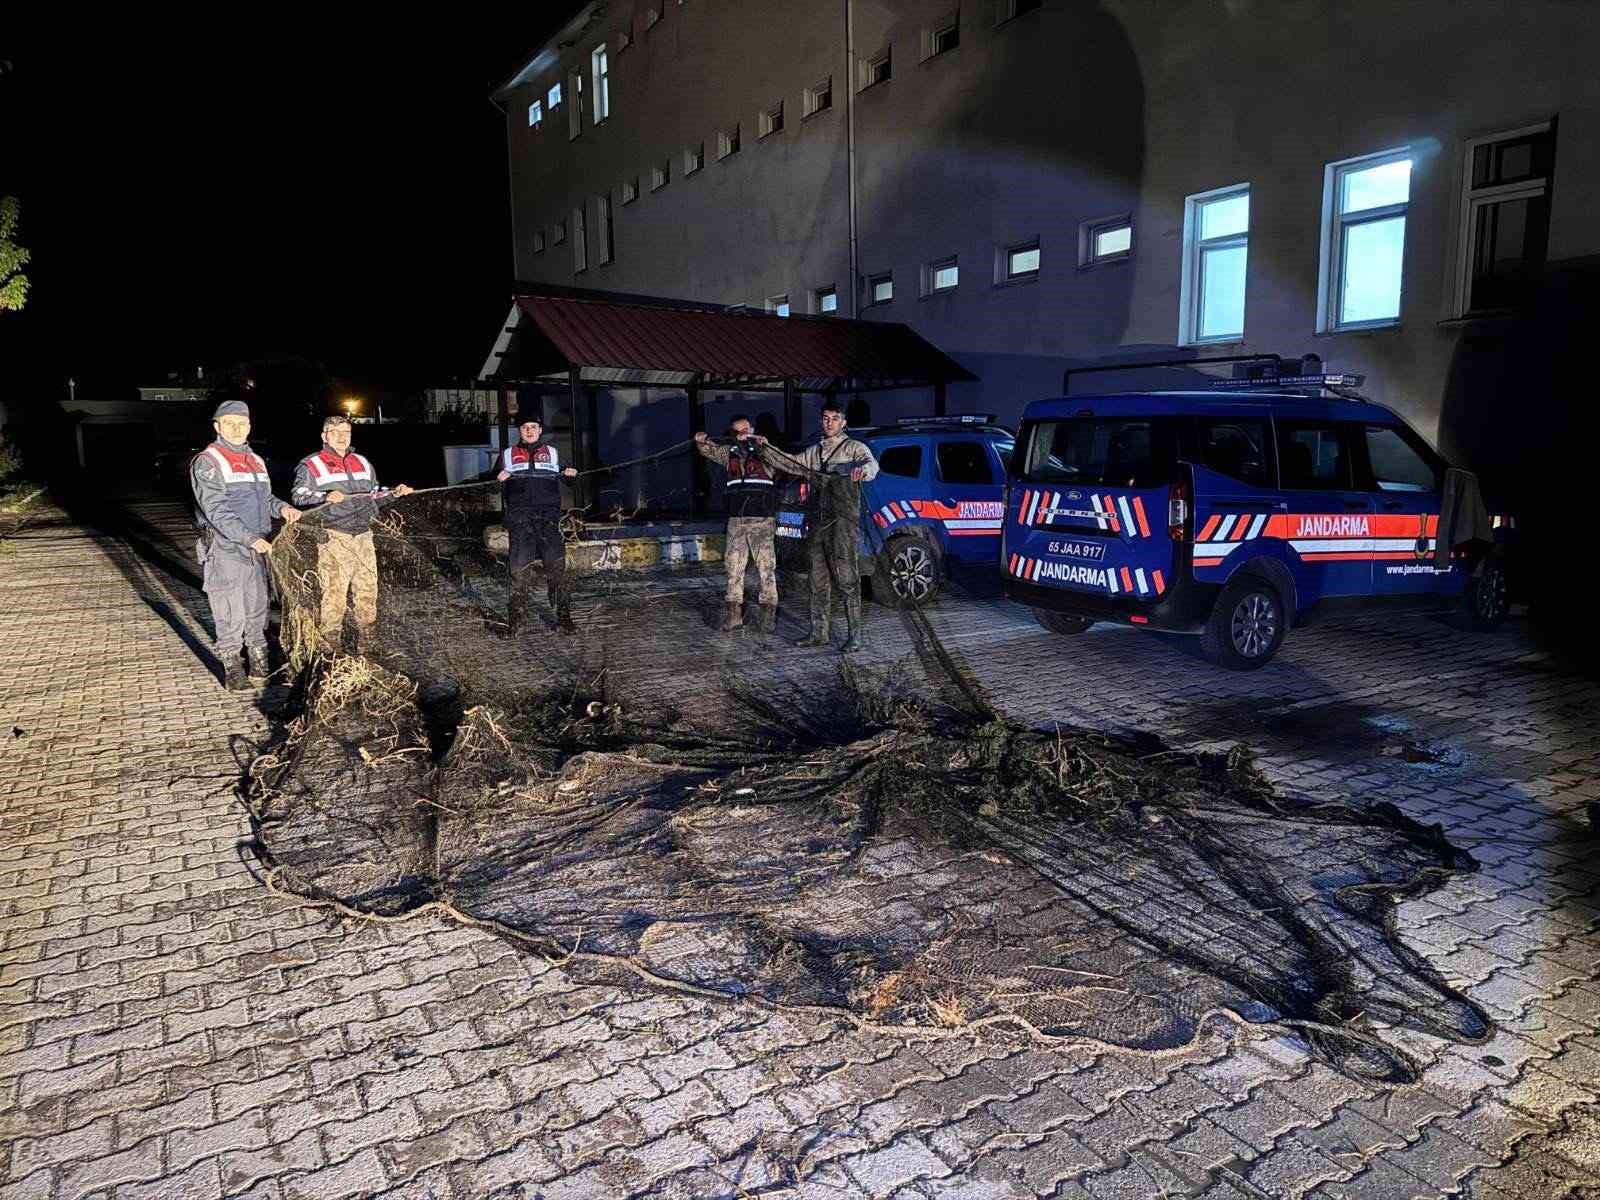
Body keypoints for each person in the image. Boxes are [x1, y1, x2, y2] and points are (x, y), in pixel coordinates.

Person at [189, 399, 302, 690]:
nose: (237, 429)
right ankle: (232, 667)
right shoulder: (208, 461)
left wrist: (283, 508)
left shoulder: (255, 459)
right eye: (230, 424)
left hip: (257, 546)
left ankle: (259, 663)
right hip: (227, 547)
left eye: (242, 423)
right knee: (230, 609)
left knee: (257, 607)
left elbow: (266, 499)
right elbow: (216, 510)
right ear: (217, 427)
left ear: (249, 426)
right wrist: (248, 538)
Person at [291, 414, 413, 654]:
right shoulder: (311, 464)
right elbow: (298, 496)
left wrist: (395, 493)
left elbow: (374, 494)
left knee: (368, 591)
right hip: (334, 537)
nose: (340, 437)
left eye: (345, 432)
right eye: (334, 432)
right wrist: (324, 497)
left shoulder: (362, 462)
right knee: (334, 595)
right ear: (324, 436)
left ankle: (367, 646)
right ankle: (330, 650)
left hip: (364, 536)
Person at [784, 399, 879, 653]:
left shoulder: (854, 448)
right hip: (817, 524)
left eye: (835, 418)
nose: (829, 422)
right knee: (817, 581)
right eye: (826, 418)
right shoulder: (814, 452)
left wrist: (862, 471)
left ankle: (855, 637)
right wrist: (764, 447)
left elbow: (872, 466)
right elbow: (790, 463)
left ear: (844, 422)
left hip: (843, 524)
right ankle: (818, 633)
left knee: (847, 580)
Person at [694, 415, 781, 633]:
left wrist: (765, 445)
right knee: (733, 567)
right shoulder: (729, 453)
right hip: (736, 520)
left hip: (762, 519)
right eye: (737, 432)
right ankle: (734, 616)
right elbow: (708, 450)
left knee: (766, 568)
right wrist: (701, 440)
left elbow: (785, 461)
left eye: (745, 430)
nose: (742, 435)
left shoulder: (766, 452)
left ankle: (768, 616)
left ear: (752, 429)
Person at [496, 412, 579, 632]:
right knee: (518, 571)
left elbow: (570, 482)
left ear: (540, 430)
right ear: (520, 431)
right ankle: (516, 623)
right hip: (520, 520)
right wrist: (498, 479)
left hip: (548, 520)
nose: (530, 431)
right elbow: (492, 483)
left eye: (534, 427)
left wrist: (571, 476)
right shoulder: (507, 454)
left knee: (557, 569)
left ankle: (564, 618)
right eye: (525, 427)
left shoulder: (552, 453)